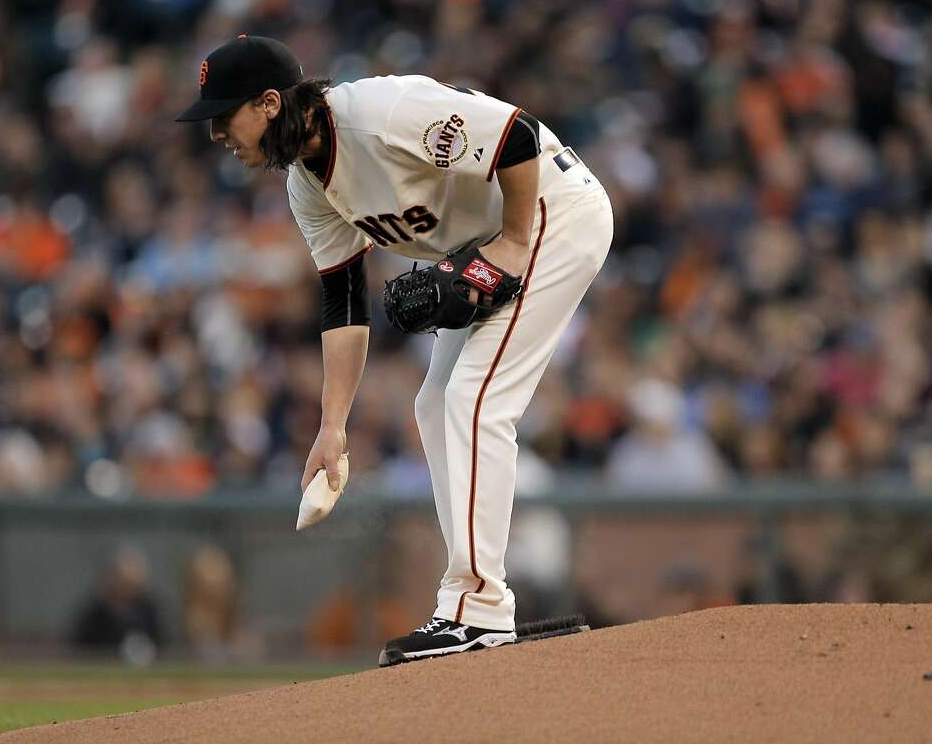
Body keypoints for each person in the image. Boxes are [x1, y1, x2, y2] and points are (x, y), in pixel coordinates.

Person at [176, 36, 612, 665]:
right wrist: (332, 427)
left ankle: (477, 609)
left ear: (269, 103)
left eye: (224, 116)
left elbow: (515, 135)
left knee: (475, 400)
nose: (216, 133)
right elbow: (344, 302)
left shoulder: (378, 114)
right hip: (486, 239)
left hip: (551, 213)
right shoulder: (307, 184)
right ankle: (474, 604)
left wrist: (515, 243)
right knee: (434, 404)